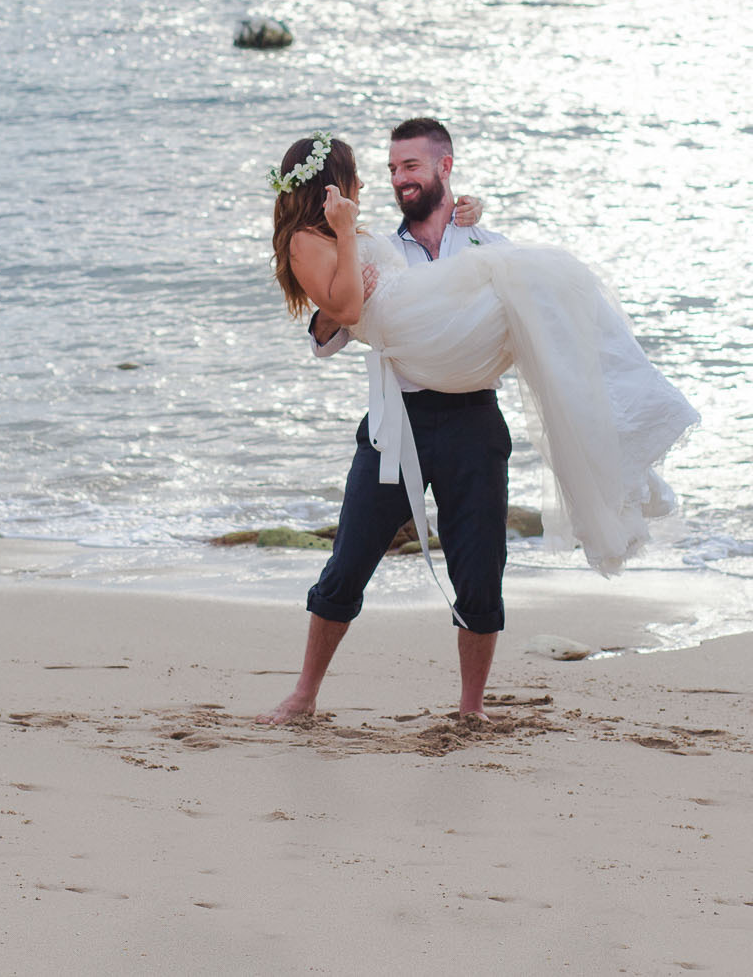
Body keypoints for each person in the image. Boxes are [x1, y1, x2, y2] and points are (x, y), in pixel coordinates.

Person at [258, 121, 698, 725]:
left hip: (473, 423)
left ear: (445, 168)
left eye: (410, 166)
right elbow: (329, 330)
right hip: (398, 421)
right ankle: (304, 694)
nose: (398, 179)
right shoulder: (370, 243)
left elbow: (526, 318)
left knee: (482, 573)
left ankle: (471, 710)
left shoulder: (486, 244)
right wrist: (339, 308)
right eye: (390, 170)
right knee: (349, 562)